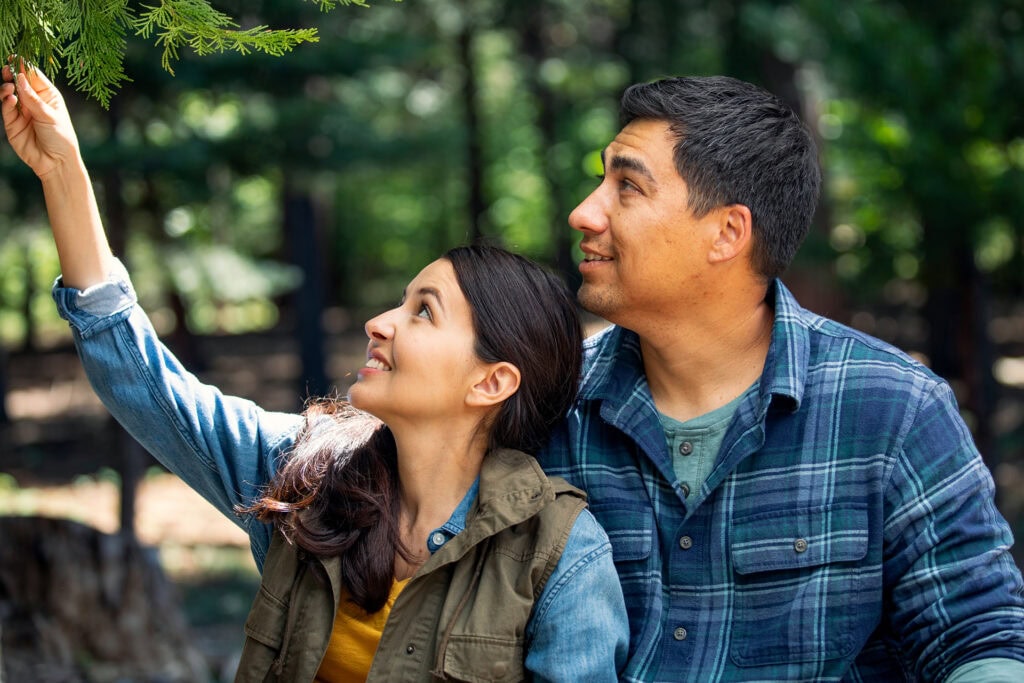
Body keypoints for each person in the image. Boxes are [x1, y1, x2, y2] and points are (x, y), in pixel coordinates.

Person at [0, 63, 629, 681]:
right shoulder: (301, 478)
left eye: (423, 312)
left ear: (490, 382)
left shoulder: (559, 559)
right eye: (400, 301)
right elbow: (144, 386)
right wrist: (62, 171)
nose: (379, 322)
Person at [536, 75, 1024, 681]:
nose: (583, 212)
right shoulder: (548, 401)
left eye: (627, 186)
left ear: (727, 233)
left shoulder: (894, 408)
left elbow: (976, 634)